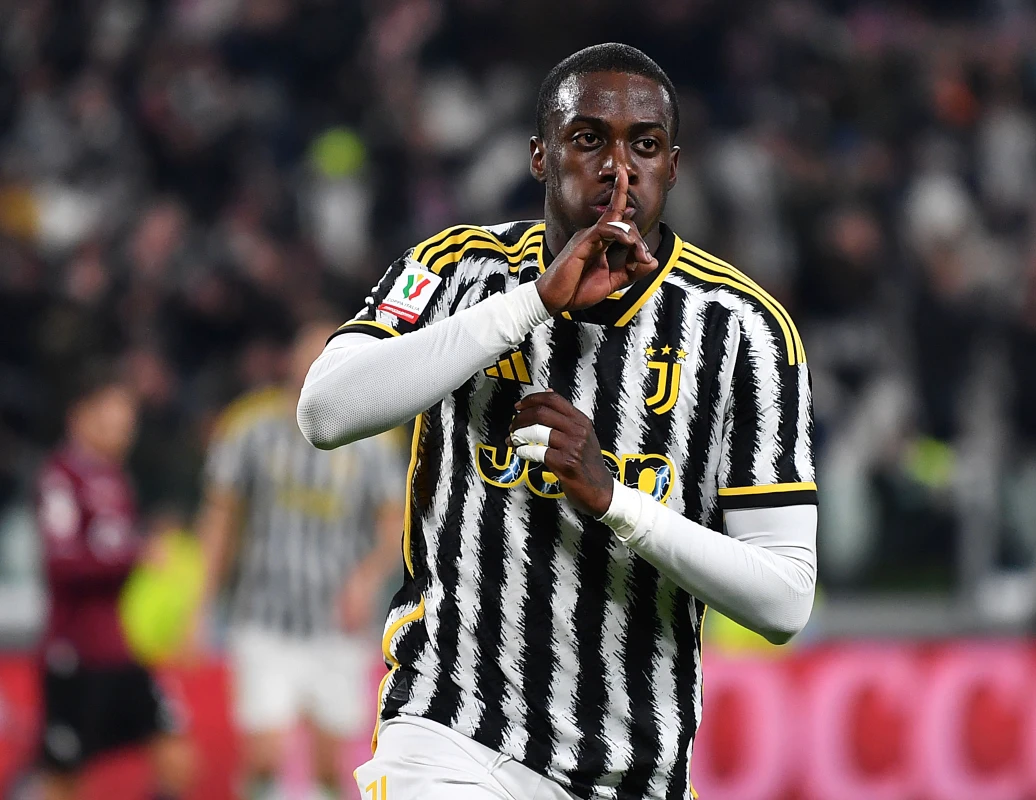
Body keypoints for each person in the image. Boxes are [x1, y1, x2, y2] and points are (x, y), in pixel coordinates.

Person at [298, 43, 819, 800]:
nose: (618, 168)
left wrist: (615, 502)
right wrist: (533, 303)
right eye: (589, 139)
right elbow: (324, 409)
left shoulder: (744, 330)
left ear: (673, 167)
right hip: (453, 736)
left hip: (637, 771)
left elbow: (784, 599)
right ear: (541, 156)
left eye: (645, 146)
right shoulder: (455, 270)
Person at [196, 319, 407, 800]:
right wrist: (202, 601)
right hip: (264, 617)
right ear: (291, 361)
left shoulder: (372, 434)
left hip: (337, 623)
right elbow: (221, 515)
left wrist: (367, 579)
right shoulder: (251, 426)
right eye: (308, 357)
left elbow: (393, 520)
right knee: (264, 755)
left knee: (331, 766)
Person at [34, 368, 192, 800]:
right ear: (81, 416)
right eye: (113, 419)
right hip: (74, 653)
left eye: (128, 423)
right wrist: (134, 554)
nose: (124, 431)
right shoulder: (60, 476)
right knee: (64, 778)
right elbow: (61, 564)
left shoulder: (117, 479)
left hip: (121, 649)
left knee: (176, 757)